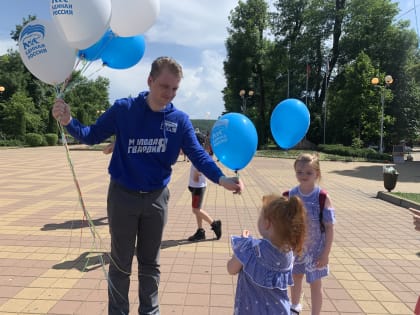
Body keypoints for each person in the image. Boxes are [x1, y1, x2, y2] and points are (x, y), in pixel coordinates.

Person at [52, 56, 244, 315]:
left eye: (175, 89)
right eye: (164, 86)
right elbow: (91, 135)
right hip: (122, 196)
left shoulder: (179, 120)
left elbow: (198, 154)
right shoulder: (124, 109)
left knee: (150, 264)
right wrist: (68, 122)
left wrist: (221, 179)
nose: (169, 94)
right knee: (120, 263)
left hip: (156, 199)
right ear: (150, 81)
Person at [227, 194, 307, 315]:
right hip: (279, 310)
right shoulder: (289, 252)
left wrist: (243, 244)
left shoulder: (251, 247)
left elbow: (231, 269)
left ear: (267, 223)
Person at [285, 153, 335, 315]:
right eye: (299, 172)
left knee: (315, 283)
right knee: (295, 278)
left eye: (308, 172)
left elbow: (329, 228)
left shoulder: (322, 197)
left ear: (317, 174)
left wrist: (325, 254)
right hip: (296, 249)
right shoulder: (291, 195)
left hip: (316, 251)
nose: (303, 176)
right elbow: (285, 222)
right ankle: (295, 306)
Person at [187, 132, 221, 241]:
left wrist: (197, 172)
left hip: (198, 187)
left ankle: (214, 224)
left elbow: (204, 166)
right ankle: (200, 231)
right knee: (198, 209)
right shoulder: (197, 152)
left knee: (196, 210)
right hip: (195, 186)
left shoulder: (202, 153)